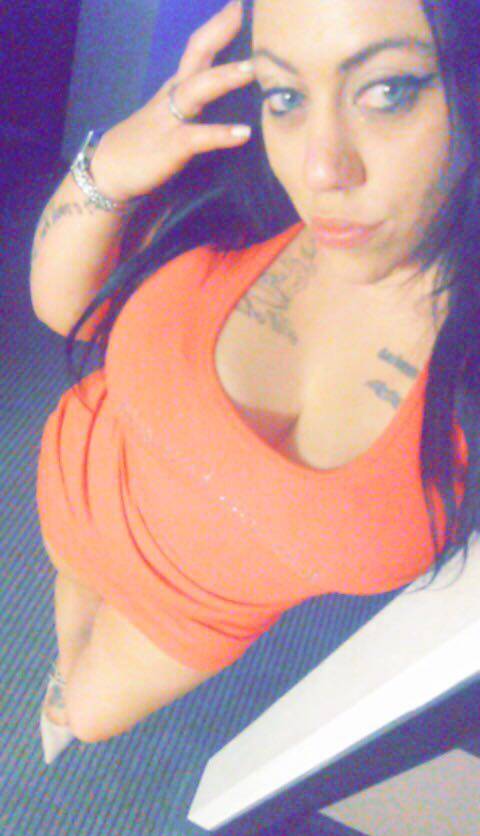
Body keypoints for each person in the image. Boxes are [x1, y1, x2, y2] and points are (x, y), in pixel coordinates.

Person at [31, 0, 479, 764]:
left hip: (197, 612)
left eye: (388, 90)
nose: (321, 170)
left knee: (92, 713)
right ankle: (68, 644)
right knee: (70, 573)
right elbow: (62, 306)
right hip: (89, 476)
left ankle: (70, 676)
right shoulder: (242, 201)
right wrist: (110, 167)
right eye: (286, 95)